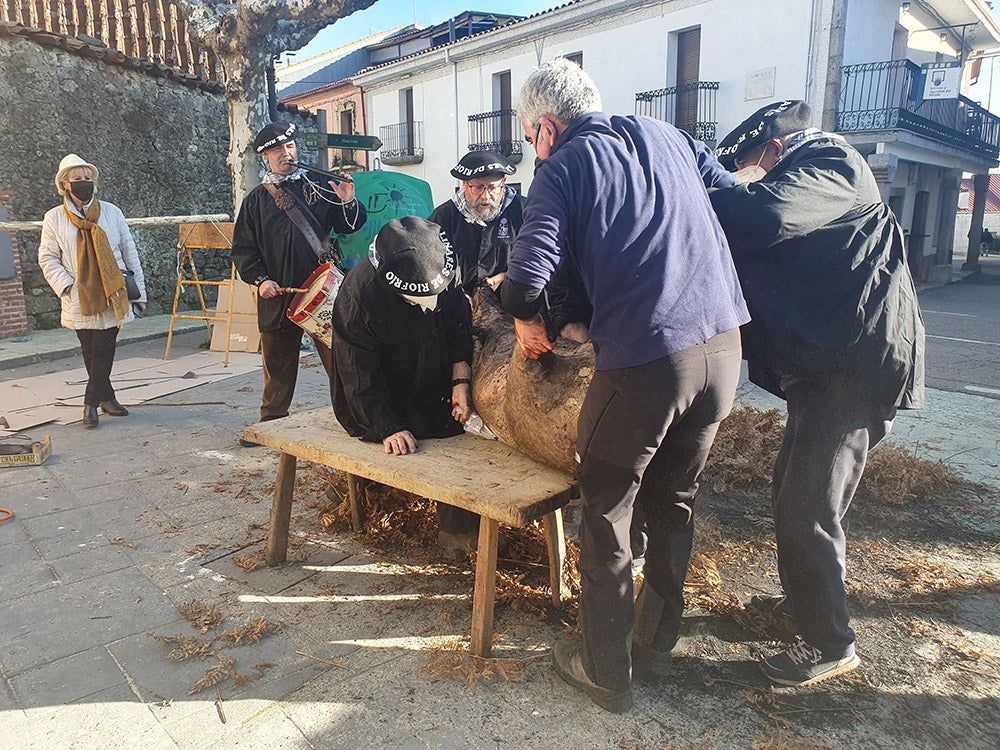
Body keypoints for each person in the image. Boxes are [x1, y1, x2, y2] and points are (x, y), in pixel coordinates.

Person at [500, 58, 750, 712]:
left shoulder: (561, 168)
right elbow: (734, 193)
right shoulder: (668, 134)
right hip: (724, 350)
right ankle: (655, 646)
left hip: (647, 365)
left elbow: (525, 281)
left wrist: (529, 328)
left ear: (546, 130)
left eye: (529, 140)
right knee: (674, 502)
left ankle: (605, 671)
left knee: (607, 514)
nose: (534, 151)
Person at [710, 100, 925, 687]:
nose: (749, 184)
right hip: (829, 368)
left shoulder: (833, 161)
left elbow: (767, 218)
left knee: (810, 507)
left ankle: (831, 643)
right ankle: (803, 611)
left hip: (854, 371)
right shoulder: (814, 170)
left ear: (776, 150)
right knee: (792, 493)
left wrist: (707, 176)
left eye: (751, 170)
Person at [329, 216, 480, 549]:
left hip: (435, 371)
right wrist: (387, 425)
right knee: (402, 442)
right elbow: (358, 372)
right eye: (415, 298)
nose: (426, 303)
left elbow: (458, 324)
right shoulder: (359, 297)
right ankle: (360, 494)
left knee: (456, 436)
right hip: (382, 389)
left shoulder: (445, 263)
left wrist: (460, 379)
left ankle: (459, 530)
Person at [231, 122, 366, 445]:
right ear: (266, 156)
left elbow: (349, 226)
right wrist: (260, 280)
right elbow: (243, 250)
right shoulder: (255, 201)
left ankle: (357, 416)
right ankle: (272, 422)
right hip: (278, 295)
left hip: (321, 289)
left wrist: (348, 201)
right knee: (277, 365)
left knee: (341, 358)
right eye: (277, 149)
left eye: (289, 146)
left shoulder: (319, 185)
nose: (286, 153)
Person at [430, 151, 591, 341]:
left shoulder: (524, 211)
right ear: (465, 185)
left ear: (503, 183)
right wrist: (458, 296)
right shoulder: (443, 218)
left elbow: (545, 260)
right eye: (478, 188)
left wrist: (507, 277)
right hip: (461, 317)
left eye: (492, 187)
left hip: (520, 316)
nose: (486, 195)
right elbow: (434, 267)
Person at [38, 154, 147, 429]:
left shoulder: (112, 212)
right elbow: (47, 256)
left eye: (88, 179)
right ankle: (107, 398)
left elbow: (129, 252)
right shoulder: (53, 218)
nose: (83, 183)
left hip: (113, 291)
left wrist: (140, 294)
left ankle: (90, 404)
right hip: (78, 294)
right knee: (90, 350)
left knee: (105, 348)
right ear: (64, 184)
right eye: (77, 179)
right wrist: (67, 285)